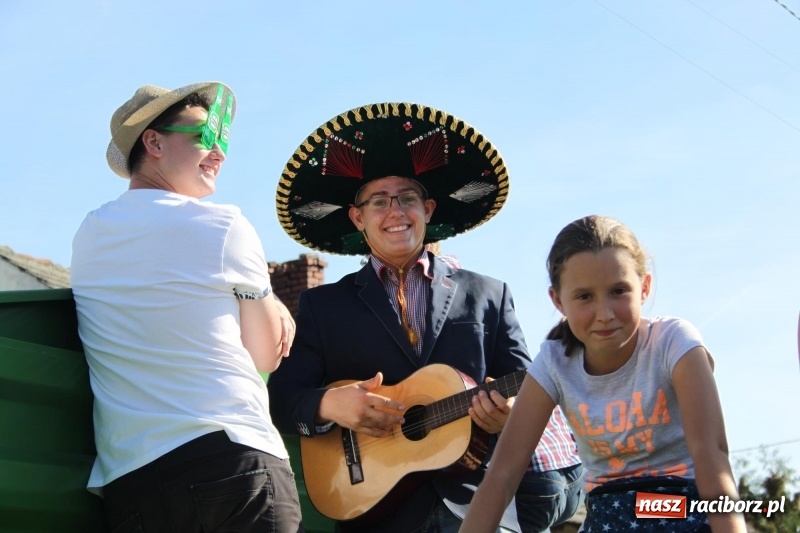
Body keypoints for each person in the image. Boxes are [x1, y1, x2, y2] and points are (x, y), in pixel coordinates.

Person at [267, 102, 582, 533]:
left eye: (408, 198)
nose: (395, 211)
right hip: (375, 511)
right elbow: (281, 400)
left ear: (429, 209)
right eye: (379, 201)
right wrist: (330, 403)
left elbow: (531, 387)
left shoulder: (489, 293)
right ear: (358, 218)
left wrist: (509, 413)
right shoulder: (323, 307)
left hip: (480, 506)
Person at [71, 81, 304, 532]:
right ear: (153, 142)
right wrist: (268, 297)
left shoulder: (89, 233)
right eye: (202, 136)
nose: (219, 152)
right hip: (230, 458)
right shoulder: (224, 225)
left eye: (222, 140)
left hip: (132, 483)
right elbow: (266, 355)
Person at [459, 215, 747, 533]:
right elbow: (502, 476)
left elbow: (712, 455)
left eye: (619, 291)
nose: (605, 314)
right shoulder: (555, 362)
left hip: (681, 506)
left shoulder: (674, 343)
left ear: (645, 287)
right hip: (606, 513)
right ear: (558, 300)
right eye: (584, 297)